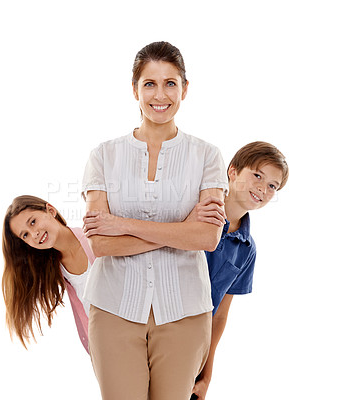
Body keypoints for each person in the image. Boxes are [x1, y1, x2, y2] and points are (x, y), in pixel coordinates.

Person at [81, 41, 228, 400]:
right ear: (135, 89)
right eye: (149, 83)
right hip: (114, 308)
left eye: (170, 83)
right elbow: (100, 243)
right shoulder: (103, 155)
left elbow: (207, 239)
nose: (159, 94)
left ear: (185, 89)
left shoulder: (207, 156)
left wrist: (125, 224)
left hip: (185, 311)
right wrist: (182, 230)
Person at [190, 141, 289, 399]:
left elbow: (220, 315)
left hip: (192, 344)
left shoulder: (246, 249)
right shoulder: (196, 209)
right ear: (232, 172)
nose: (262, 188)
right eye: (257, 175)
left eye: (272, 186)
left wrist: (207, 375)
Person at [2, 195, 95, 353]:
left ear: (50, 210)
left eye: (33, 222)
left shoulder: (94, 240)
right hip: (105, 351)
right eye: (25, 235)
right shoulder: (56, 269)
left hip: (138, 334)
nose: (34, 234)